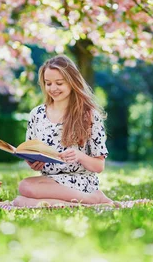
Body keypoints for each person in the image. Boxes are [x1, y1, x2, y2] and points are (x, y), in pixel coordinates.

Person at [13, 55, 113, 207]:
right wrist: (34, 163)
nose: (53, 88)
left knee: (25, 188)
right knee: (20, 198)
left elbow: (99, 166)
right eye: (48, 83)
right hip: (50, 181)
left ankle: (91, 198)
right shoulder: (37, 114)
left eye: (59, 83)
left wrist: (79, 156)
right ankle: (82, 203)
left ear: (72, 82)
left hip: (80, 182)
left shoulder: (89, 115)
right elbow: (33, 151)